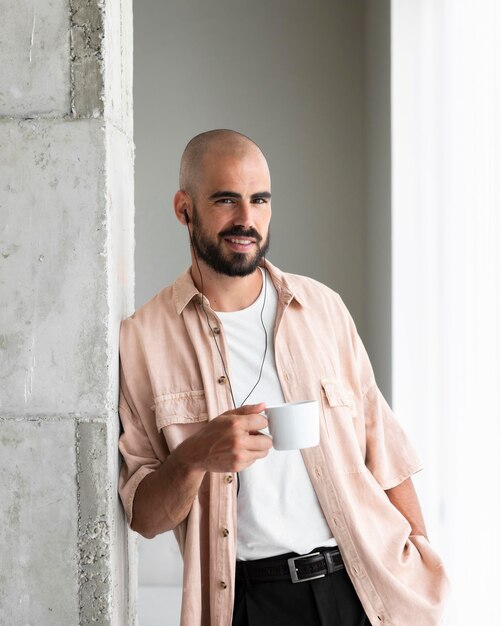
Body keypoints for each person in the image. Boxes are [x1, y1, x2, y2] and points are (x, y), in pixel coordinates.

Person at [118, 129, 449, 626]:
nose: (246, 219)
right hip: (252, 602)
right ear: (184, 209)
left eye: (259, 200)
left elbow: (385, 451)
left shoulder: (322, 308)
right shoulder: (143, 340)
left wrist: (420, 558)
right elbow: (144, 517)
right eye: (226, 200)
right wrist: (194, 456)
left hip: (362, 586)